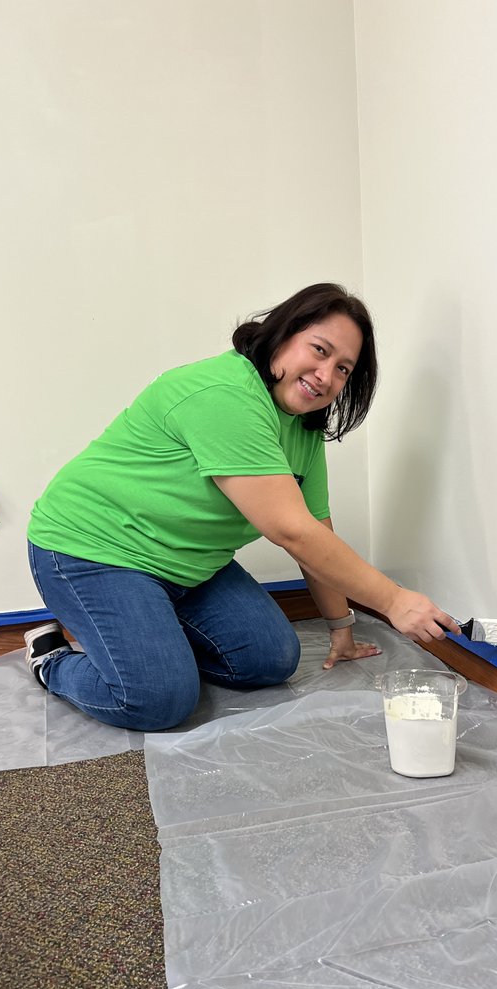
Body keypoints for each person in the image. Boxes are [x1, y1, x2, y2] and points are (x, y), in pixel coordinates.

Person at [25, 282, 459, 731]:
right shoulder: (225, 393)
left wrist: (341, 628)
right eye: (319, 349)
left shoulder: (302, 428)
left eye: (343, 369)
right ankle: (52, 660)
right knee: (158, 702)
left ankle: (152, 640)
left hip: (188, 565)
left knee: (271, 660)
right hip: (91, 551)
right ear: (282, 334)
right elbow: (290, 530)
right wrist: (394, 600)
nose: (326, 375)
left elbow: (315, 530)